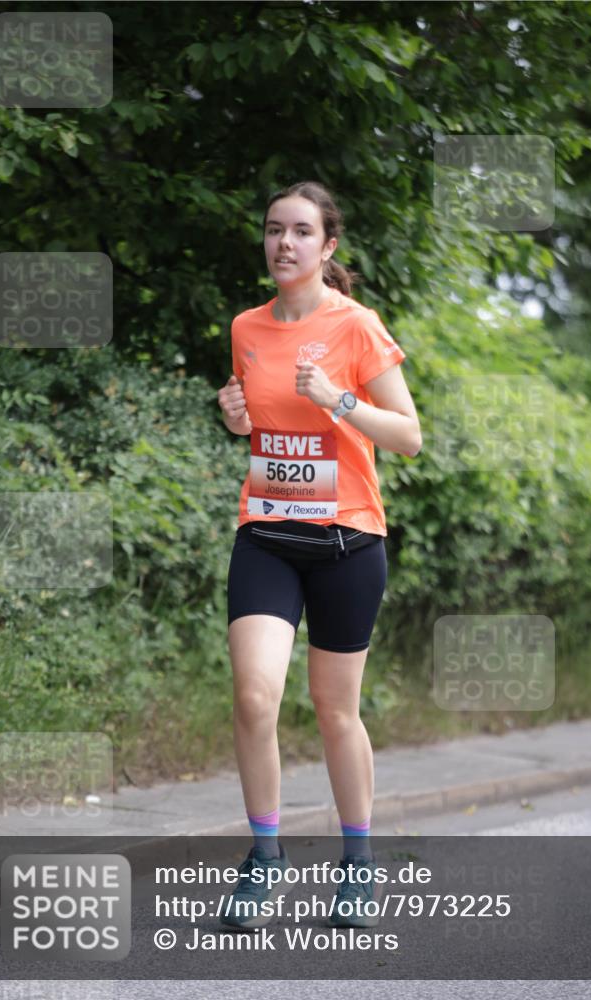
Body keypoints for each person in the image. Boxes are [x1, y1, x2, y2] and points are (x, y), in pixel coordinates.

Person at [216, 181, 421, 929]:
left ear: (327, 246)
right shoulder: (245, 326)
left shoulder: (357, 326)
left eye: (301, 232)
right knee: (252, 696)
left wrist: (338, 399)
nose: (284, 244)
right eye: (274, 230)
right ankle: (263, 860)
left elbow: (407, 435)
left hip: (347, 540)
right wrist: (234, 415)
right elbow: (258, 426)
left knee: (336, 711)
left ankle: (357, 867)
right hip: (268, 533)